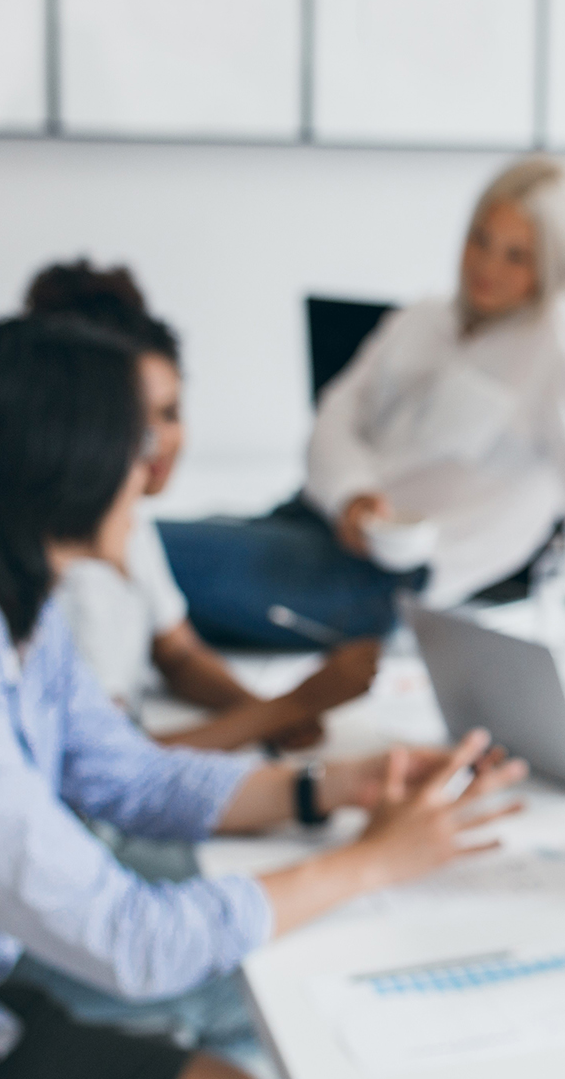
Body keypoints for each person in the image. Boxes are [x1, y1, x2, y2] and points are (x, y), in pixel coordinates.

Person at [0, 314, 527, 1079]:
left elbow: (127, 774)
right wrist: (371, 864)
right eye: (136, 445)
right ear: (72, 465)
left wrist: (333, 785)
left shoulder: (26, 615)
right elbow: (132, 940)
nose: (149, 471)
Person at [159, 155, 565, 649]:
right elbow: (336, 415)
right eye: (480, 240)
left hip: (378, 581)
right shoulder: (425, 318)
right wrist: (353, 496)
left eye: (517, 256)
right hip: (307, 522)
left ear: (552, 265)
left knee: (139, 553)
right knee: (130, 563)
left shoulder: (562, 347)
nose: (487, 267)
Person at [25, 260, 378, 751]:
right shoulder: (66, 584)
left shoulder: (132, 529)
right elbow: (108, 773)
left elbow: (178, 653)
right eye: (137, 424)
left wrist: (259, 711)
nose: (157, 445)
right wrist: (288, 708)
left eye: (171, 414)